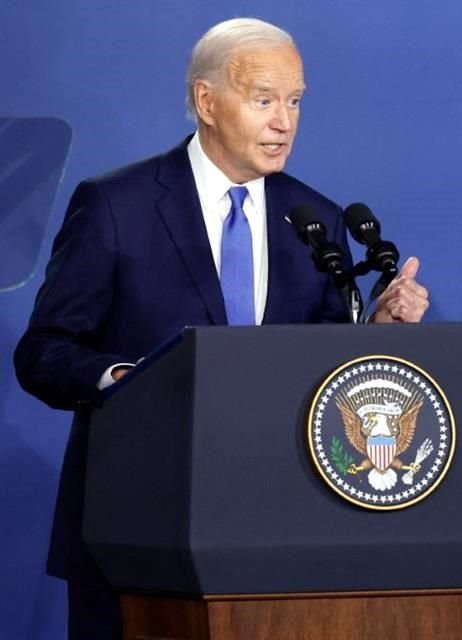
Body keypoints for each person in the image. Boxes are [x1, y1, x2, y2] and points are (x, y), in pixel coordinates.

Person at [14, 17, 429, 639]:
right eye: (264, 99)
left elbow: (323, 373)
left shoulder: (316, 216)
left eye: (294, 101)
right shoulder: (116, 206)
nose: (284, 121)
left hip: (279, 535)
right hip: (136, 531)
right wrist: (124, 381)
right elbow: (43, 351)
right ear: (207, 102)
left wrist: (374, 331)